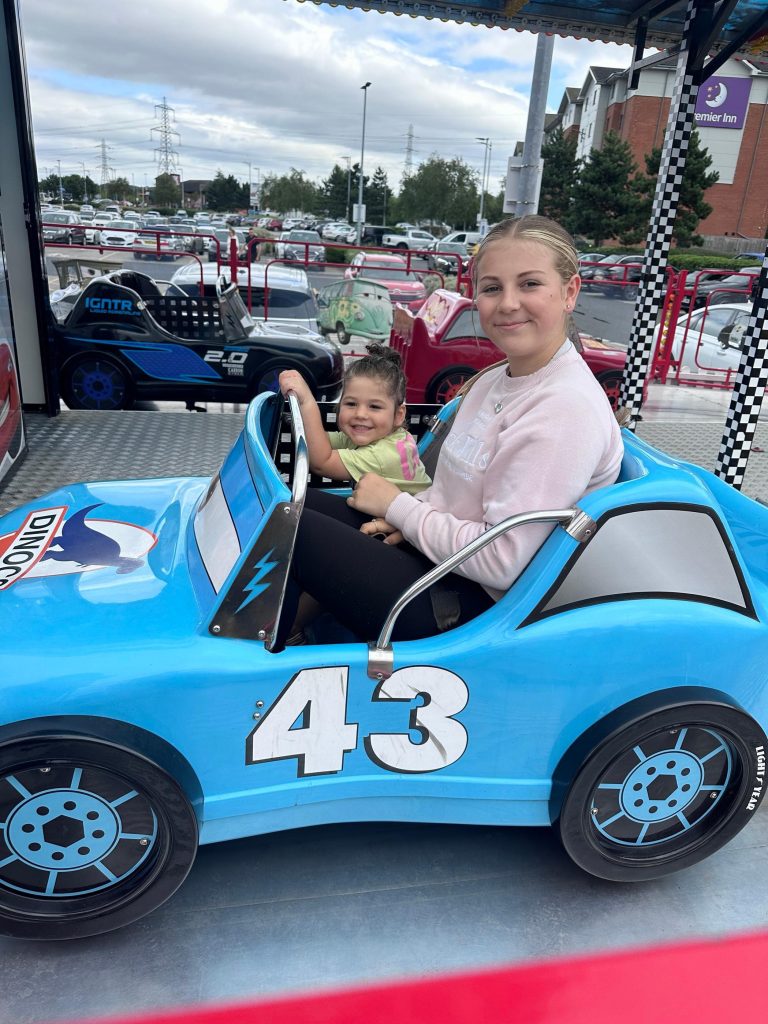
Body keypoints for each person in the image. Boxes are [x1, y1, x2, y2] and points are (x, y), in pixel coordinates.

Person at [278, 215, 624, 646]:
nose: (508, 303)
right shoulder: (497, 379)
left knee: (288, 528)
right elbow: (454, 499)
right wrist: (407, 519)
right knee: (285, 503)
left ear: (570, 292)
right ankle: (287, 636)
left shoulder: (564, 408)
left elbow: (500, 561)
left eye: (530, 284)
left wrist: (400, 508)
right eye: (492, 288)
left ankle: (257, 654)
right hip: (439, 558)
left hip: (469, 607)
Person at [279, 345, 431, 494]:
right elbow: (320, 440)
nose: (360, 414)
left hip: (400, 511)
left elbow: (322, 463)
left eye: (374, 406)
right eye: (351, 404)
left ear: (398, 415)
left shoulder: (382, 455)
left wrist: (306, 401)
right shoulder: (382, 435)